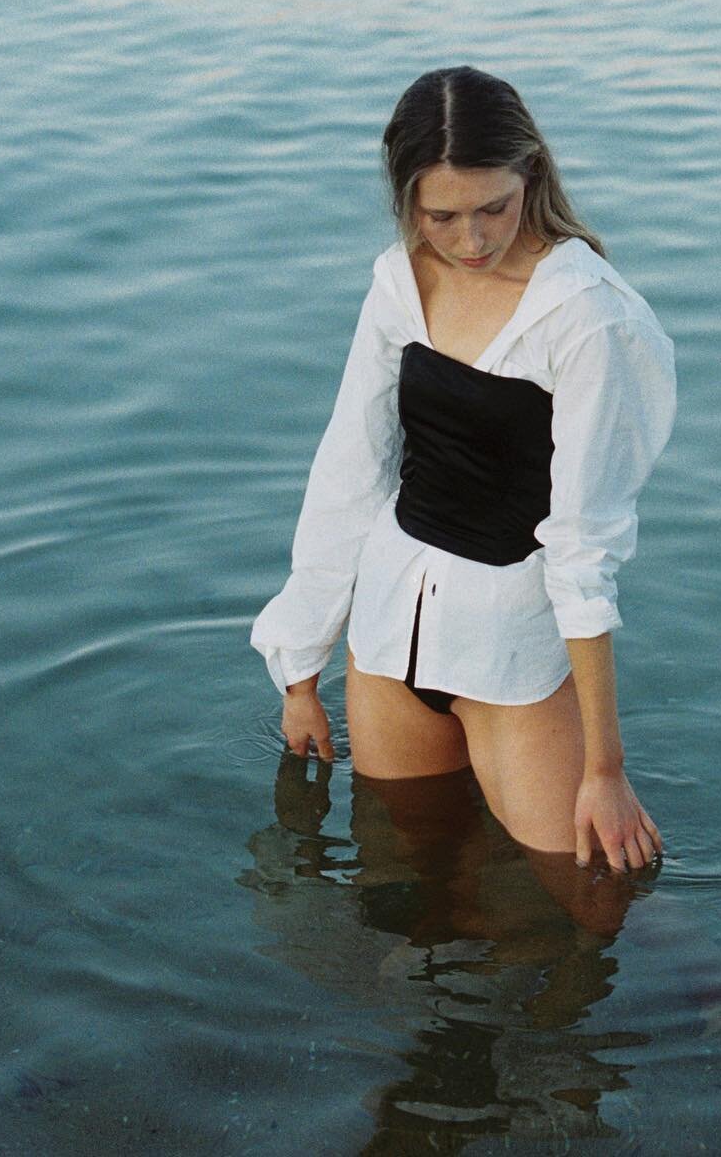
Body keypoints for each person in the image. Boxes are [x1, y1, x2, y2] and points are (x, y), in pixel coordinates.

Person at [250, 65, 676, 877]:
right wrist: (298, 669)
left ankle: (717, 1002)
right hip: (385, 642)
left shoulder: (586, 315)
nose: (471, 240)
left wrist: (606, 770)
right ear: (406, 197)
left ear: (532, 177)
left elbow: (584, 546)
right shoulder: (398, 281)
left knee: (594, 894)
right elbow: (351, 469)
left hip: (510, 650)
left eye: (494, 209)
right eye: (441, 215)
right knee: (411, 882)